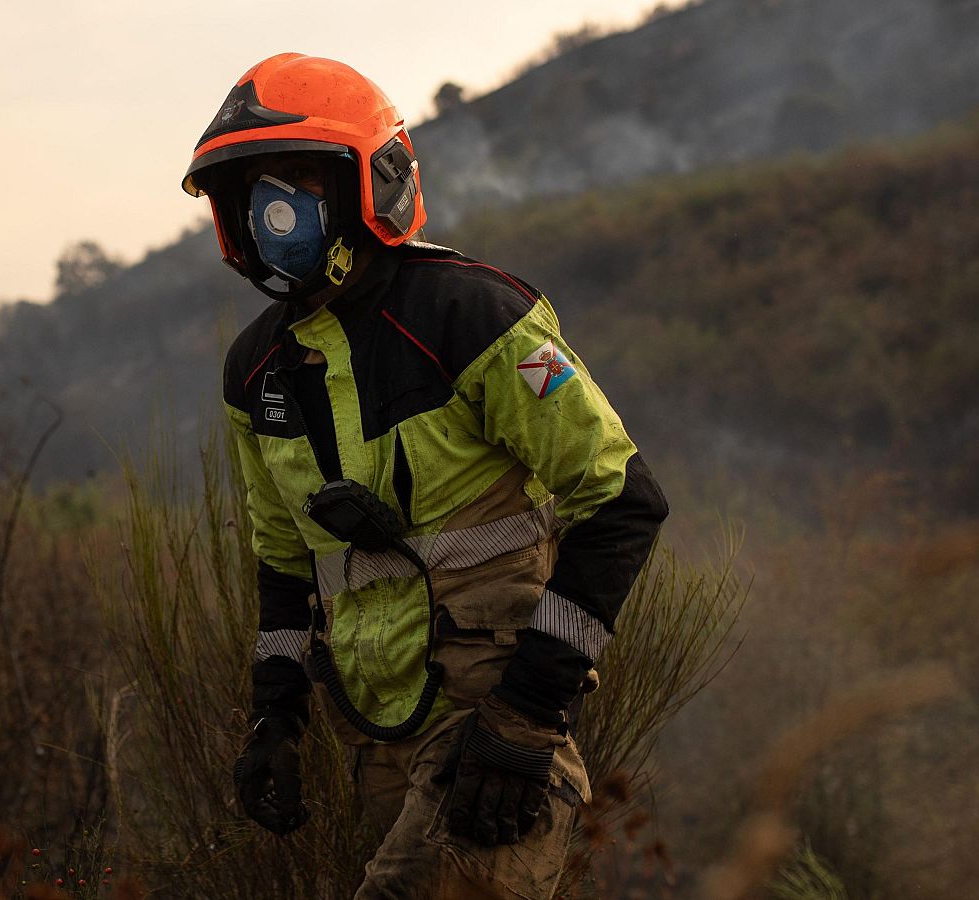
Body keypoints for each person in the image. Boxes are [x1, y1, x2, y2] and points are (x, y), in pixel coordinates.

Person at [182, 53, 669, 899]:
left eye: (298, 179)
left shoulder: (470, 315)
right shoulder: (255, 372)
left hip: (494, 722)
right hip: (376, 737)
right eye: (253, 190)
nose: (274, 212)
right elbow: (284, 564)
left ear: (370, 182)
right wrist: (275, 718)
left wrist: (528, 715)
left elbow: (624, 502)